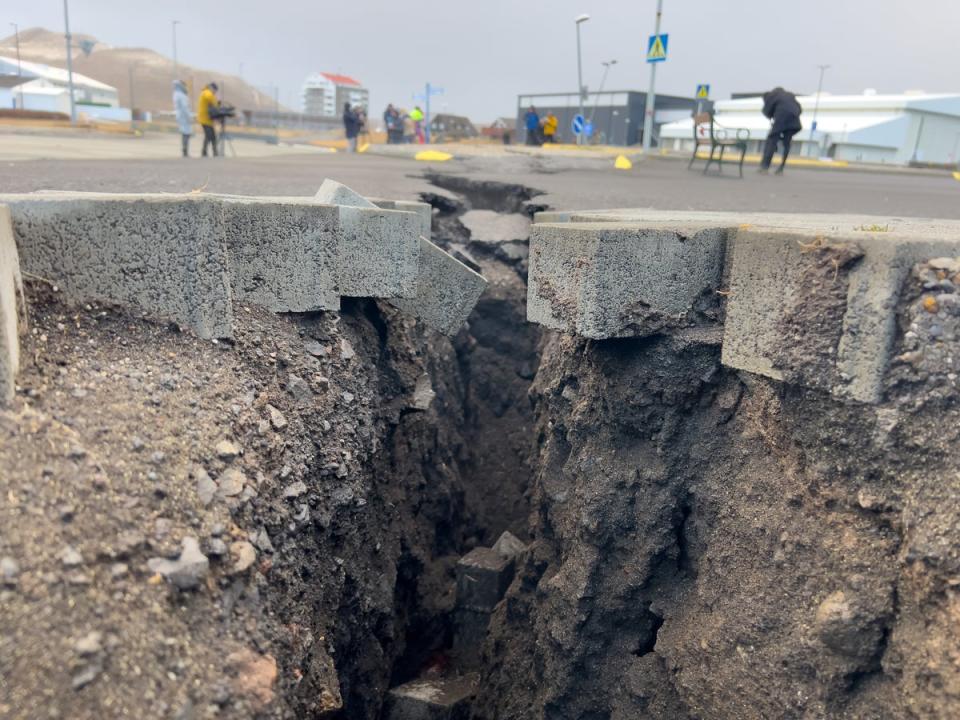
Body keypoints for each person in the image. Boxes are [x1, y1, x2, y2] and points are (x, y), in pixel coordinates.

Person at [759, 87, 803, 174]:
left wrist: (772, 117)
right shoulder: (789, 96)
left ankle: (765, 167)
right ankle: (781, 168)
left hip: (781, 119)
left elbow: (766, 111)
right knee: (787, 143)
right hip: (794, 120)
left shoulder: (771, 96)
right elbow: (799, 109)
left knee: (771, 140)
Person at [197, 82, 220, 157]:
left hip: (208, 120)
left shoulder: (207, 92)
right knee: (209, 135)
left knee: (213, 136)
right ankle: (204, 152)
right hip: (204, 119)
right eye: (215, 91)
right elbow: (210, 98)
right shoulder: (206, 92)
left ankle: (214, 152)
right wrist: (216, 103)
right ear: (212, 88)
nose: (215, 93)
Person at [172, 80, 192, 158]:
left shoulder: (176, 94)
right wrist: (188, 117)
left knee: (185, 133)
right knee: (186, 133)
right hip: (184, 116)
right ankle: (185, 151)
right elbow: (185, 107)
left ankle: (185, 150)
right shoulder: (181, 95)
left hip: (181, 115)